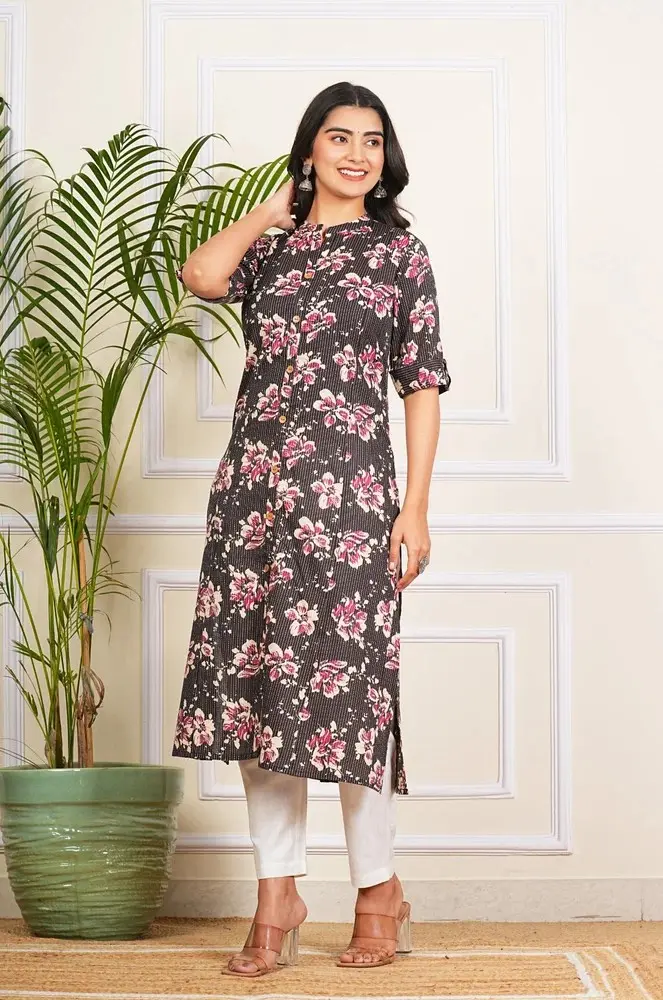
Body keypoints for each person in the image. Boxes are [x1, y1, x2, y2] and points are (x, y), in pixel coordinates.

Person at [172, 80, 451, 978]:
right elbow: (201, 276)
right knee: (258, 692)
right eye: (339, 137)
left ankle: (378, 891)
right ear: (309, 151)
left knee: (349, 697)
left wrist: (415, 506)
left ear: (384, 156)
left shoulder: (399, 253)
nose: (357, 153)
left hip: (352, 502)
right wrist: (268, 212)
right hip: (254, 496)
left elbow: (420, 382)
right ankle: (276, 895)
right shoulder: (271, 252)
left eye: (371, 140)